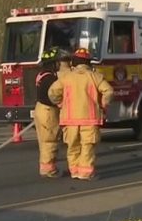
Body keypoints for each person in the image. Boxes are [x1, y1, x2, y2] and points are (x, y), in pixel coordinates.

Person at [48, 48, 113, 180]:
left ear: (74, 62)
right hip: (89, 118)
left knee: (72, 146)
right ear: (88, 62)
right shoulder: (95, 77)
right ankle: (86, 172)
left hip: (69, 119)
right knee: (87, 146)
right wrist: (103, 105)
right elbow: (109, 91)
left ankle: (74, 171)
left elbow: (52, 92)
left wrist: (61, 104)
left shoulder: (66, 77)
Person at [34, 47, 61, 178]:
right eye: (57, 62)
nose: (59, 64)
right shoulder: (51, 79)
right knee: (50, 140)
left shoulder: (41, 75)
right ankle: (49, 169)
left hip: (39, 109)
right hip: (48, 111)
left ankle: (44, 166)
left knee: (43, 141)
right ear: (52, 63)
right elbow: (55, 95)